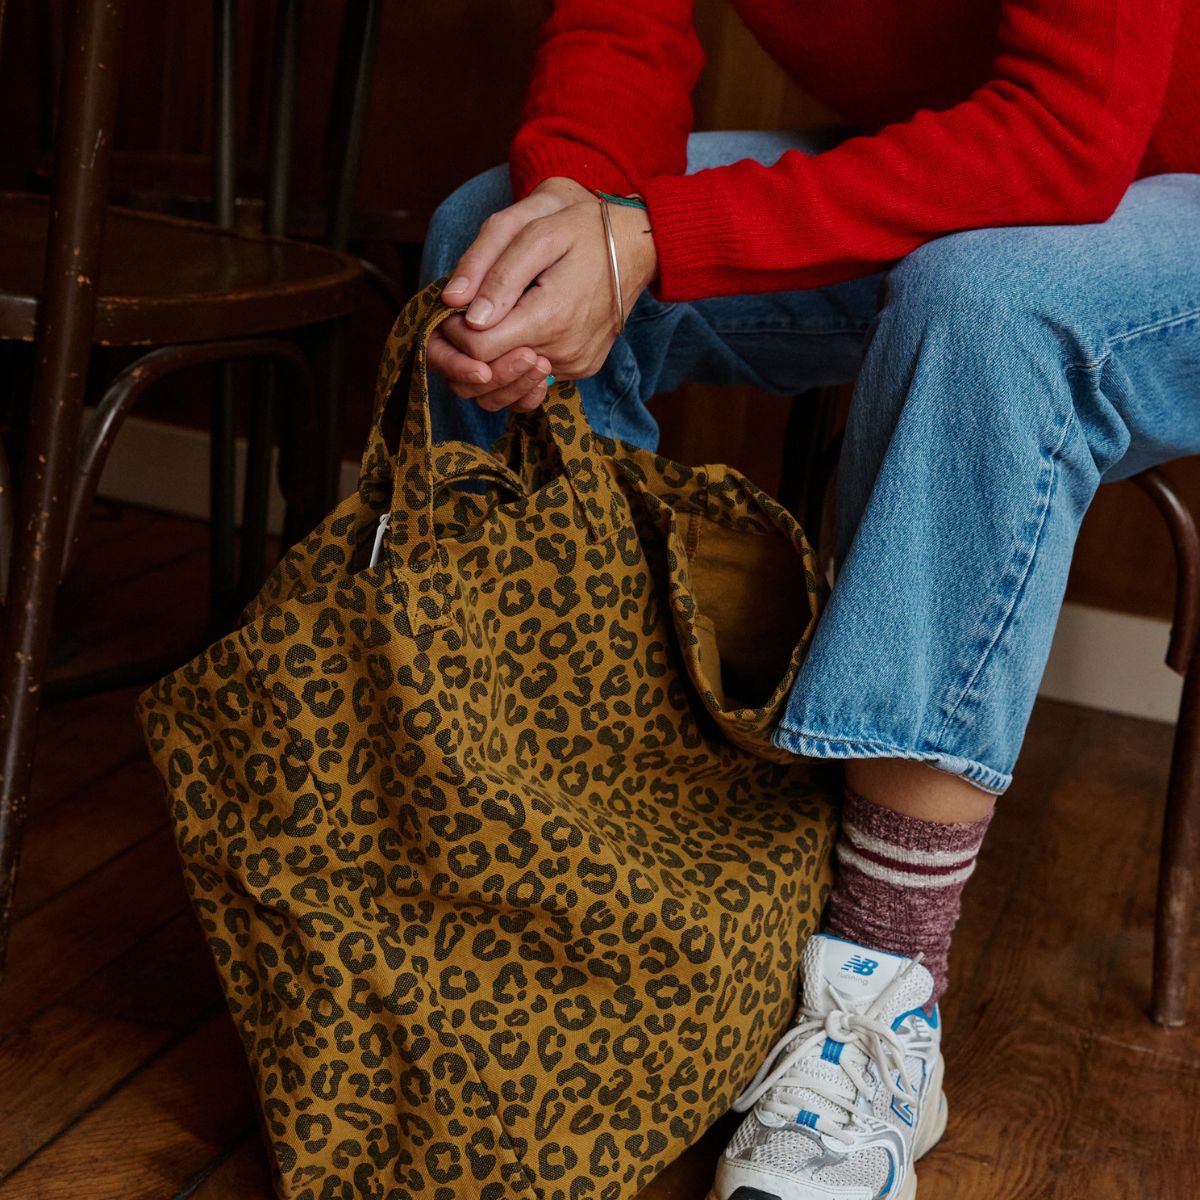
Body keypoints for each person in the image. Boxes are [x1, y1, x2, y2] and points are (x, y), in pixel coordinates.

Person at [418, 3, 1200, 1197]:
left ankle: (879, 999)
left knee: (986, 300)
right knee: (495, 239)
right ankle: (571, 868)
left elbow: (1068, 136)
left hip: (1135, 189)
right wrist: (578, 207)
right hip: (977, 161)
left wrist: (652, 237)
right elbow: (619, 33)